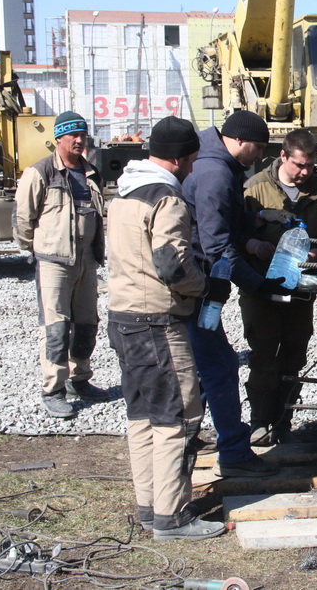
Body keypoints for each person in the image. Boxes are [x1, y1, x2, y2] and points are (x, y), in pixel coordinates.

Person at [106, 115, 226, 541]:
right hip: (157, 322)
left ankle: (150, 506)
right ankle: (173, 517)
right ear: (179, 158)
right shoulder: (167, 199)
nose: (193, 166)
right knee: (179, 417)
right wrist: (206, 285)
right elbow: (172, 266)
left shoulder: (123, 193)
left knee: (144, 416)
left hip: (122, 317)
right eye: (192, 158)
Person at [182, 110, 292, 477]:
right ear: (239, 140)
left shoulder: (221, 167)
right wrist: (258, 283)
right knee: (220, 364)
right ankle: (232, 452)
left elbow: (223, 221)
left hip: (203, 283)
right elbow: (217, 247)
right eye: (258, 147)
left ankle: (187, 438)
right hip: (200, 284)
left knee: (203, 363)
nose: (260, 156)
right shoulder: (214, 173)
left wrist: (258, 218)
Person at [242, 128, 317, 445]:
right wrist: (254, 245)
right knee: (264, 354)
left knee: (295, 355)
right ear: (283, 156)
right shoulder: (255, 189)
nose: (305, 172)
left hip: (300, 289)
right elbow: (233, 233)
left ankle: (284, 421)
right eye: (299, 165)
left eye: (310, 166)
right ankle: (260, 422)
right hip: (261, 288)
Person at [14, 110, 110, 419]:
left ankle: (79, 379)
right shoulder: (40, 173)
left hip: (86, 261)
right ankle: (53, 390)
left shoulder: (91, 173)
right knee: (56, 328)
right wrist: (37, 250)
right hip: (54, 263)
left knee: (87, 324)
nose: (80, 141)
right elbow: (23, 219)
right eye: (74, 136)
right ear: (59, 138)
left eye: (83, 135)